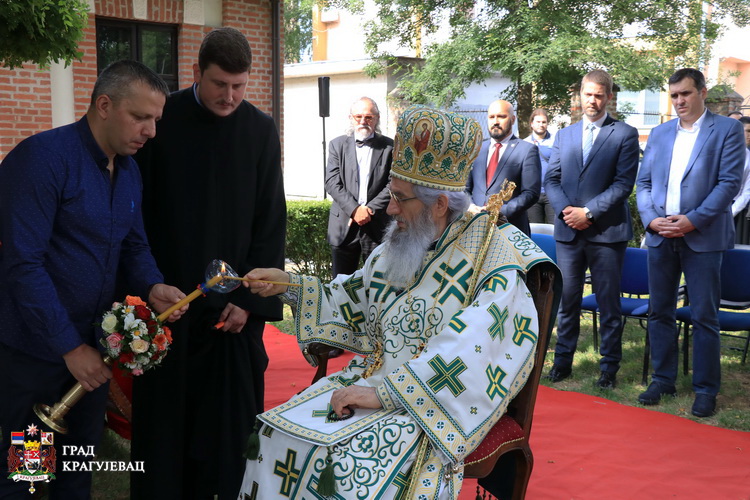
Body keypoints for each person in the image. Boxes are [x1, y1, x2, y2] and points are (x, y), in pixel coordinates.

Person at [237, 106, 549, 499]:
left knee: (346, 465)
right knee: (275, 433)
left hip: (430, 404)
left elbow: (477, 344)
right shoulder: (401, 243)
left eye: (401, 198)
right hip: (371, 379)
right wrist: (290, 285)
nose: (390, 209)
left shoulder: (490, 255)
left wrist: (385, 394)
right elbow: (355, 297)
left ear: (440, 204)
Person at [0, 60, 186, 499]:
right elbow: (23, 264)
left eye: (156, 120)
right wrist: (69, 347)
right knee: (26, 479)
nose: (151, 131)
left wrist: (153, 285)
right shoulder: (42, 158)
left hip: (95, 353)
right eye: (140, 117)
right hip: (36, 355)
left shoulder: (129, 170)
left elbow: (134, 246)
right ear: (104, 105)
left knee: (76, 472)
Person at [131, 27, 286, 499]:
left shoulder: (260, 129)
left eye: (239, 85)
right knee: (165, 440)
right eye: (220, 84)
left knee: (228, 442)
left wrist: (249, 302)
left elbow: (270, 219)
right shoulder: (163, 121)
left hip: (231, 320)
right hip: (170, 307)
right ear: (197, 72)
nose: (230, 96)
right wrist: (150, 283)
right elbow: (137, 212)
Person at [636, 68, 745, 417]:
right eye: (674, 96)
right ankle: (662, 379)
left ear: (702, 92)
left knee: (704, 315)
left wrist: (692, 220)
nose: (679, 101)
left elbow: (728, 184)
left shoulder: (726, 129)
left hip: (703, 237)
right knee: (660, 310)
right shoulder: (660, 133)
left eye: (685, 93)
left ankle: (705, 389)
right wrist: (651, 219)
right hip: (661, 235)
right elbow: (644, 184)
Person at [544, 69, 639, 389]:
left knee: (608, 303)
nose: (593, 101)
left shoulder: (624, 134)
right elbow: (552, 179)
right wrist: (567, 212)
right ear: (580, 95)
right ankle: (562, 364)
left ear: (609, 97)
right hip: (569, 233)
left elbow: (623, 184)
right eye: (588, 94)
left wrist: (588, 212)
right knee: (567, 301)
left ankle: (609, 368)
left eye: (599, 95)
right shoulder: (565, 135)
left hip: (607, 234)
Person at [326, 97, 393, 277]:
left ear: (377, 118)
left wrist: (369, 210)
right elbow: (331, 182)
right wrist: (355, 210)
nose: (363, 121)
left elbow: (394, 183)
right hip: (344, 226)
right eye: (358, 117)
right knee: (340, 284)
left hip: (377, 225)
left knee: (378, 282)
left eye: (369, 117)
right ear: (351, 118)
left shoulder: (390, 147)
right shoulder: (337, 145)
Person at [466, 99, 541, 235]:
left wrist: (499, 212)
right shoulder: (476, 149)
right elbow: (465, 188)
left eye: (501, 116)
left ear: (513, 119)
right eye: (491, 117)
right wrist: (470, 206)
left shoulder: (527, 150)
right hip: (475, 228)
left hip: (510, 229)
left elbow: (531, 193)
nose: (495, 121)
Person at [525, 108, 556, 225]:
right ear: (532, 124)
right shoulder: (525, 143)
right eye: (538, 122)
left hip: (552, 192)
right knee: (535, 228)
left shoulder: (556, 141)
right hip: (533, 193)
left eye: (544, 122)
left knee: (554, 228)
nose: (541, 125)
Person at [732, 116, 750, 244]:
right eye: (748, 131)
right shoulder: (720, 149)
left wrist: (732, 212)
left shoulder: (748, 156)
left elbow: (747, 191)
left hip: (736, 209)